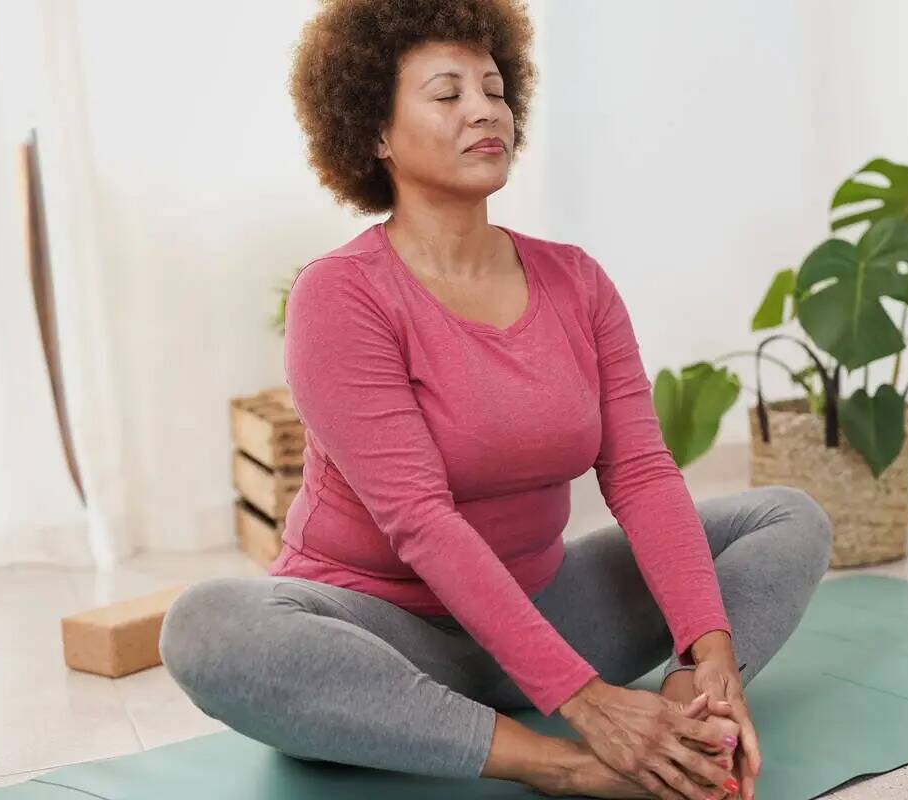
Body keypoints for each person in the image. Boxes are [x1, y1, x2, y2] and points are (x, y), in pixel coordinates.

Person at [158, 2, 832, 799]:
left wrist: (708, 660)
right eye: (446, 93)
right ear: (375, 132)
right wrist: (586, 711)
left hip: (545, 608)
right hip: (387, 634)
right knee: (207, 628)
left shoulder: (575, 279)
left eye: (495, 88)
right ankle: (551, 762)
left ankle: (676, 719)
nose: (485, 110)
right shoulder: (340, 296)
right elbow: (422, 521)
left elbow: (644, 474)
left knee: (790, 520)